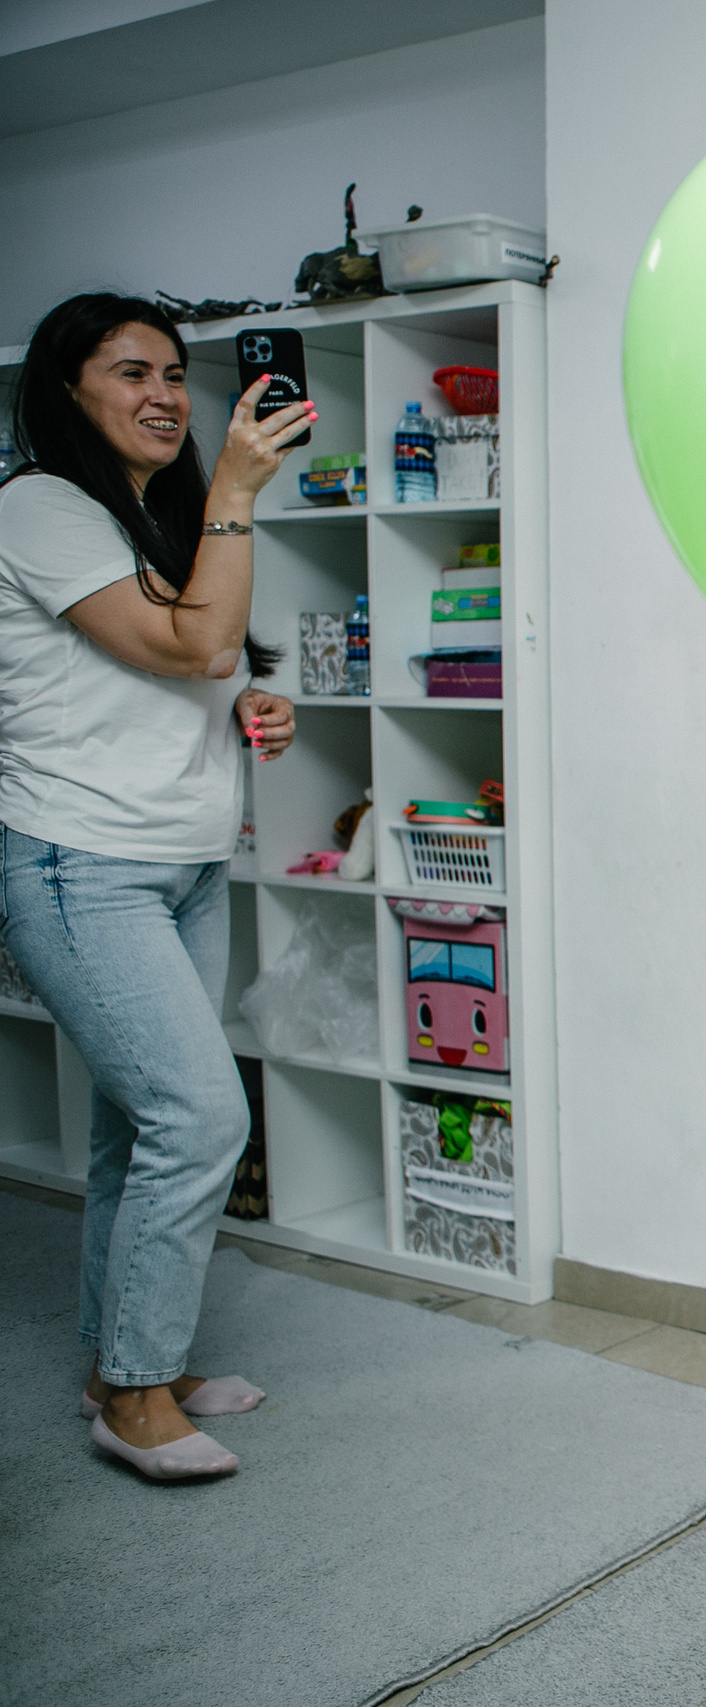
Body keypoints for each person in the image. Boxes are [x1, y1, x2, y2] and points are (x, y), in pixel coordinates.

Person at [0, 293, 307, 1481]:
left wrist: (244, 707)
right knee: (200, 1120)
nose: (167, 396)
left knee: (139, 1133)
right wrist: (232, 490)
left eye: (177, 373)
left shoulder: (153, 512)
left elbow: (193, 665)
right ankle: (134, 1398)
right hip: (84, 867)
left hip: (182, 860)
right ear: (66, 392)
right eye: (131, 372)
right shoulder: (38, 508)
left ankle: (129, 1360)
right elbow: (189, 642)